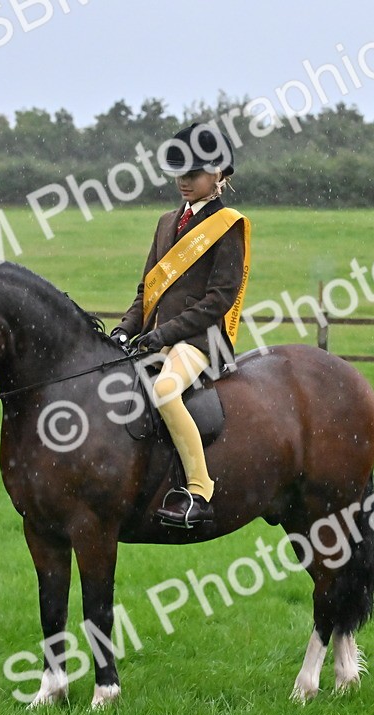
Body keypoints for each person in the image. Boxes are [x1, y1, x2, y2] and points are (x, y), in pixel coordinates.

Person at [110, 123, 251, 528]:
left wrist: (163, 335)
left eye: (194, 174)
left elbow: (218, 300)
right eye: (180, 173)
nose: (184, 181)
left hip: (200, 342)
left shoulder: (228, 227)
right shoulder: (165, 222)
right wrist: (125, 328)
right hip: (159, 337)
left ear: (219, 175)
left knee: (166, 392)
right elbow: (147, 290)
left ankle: (199, 490)